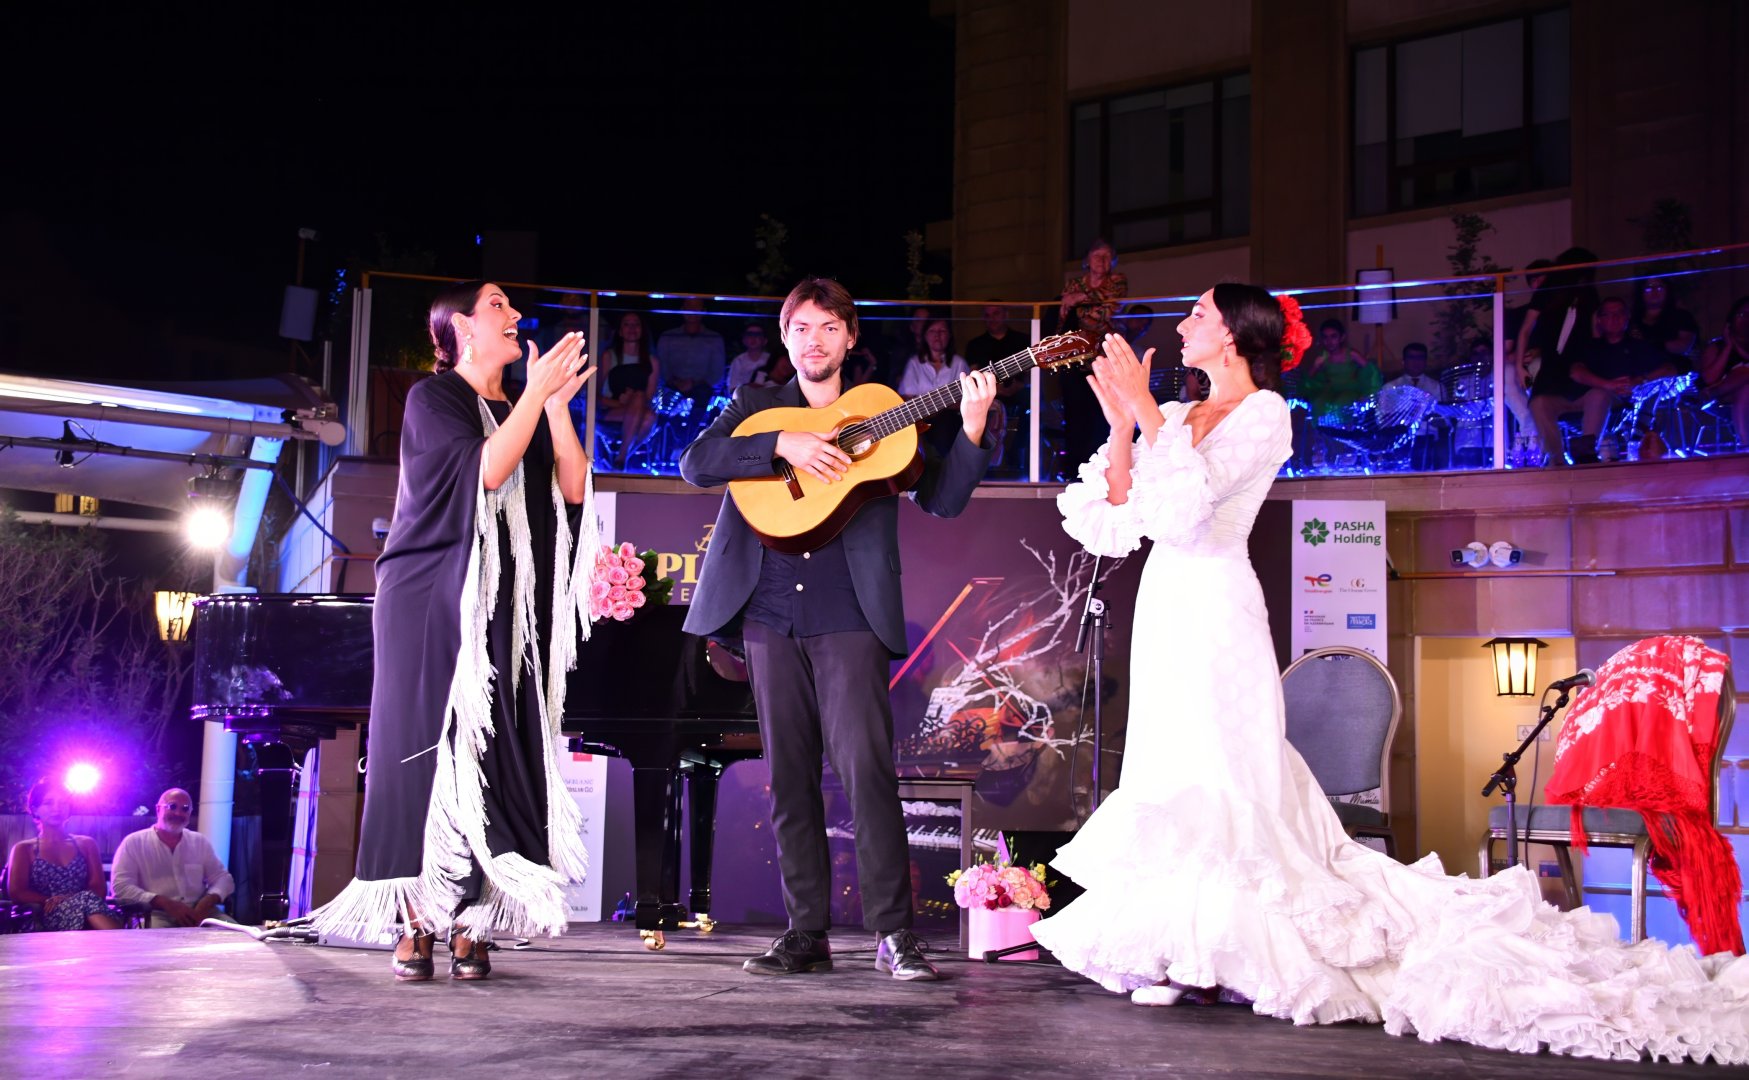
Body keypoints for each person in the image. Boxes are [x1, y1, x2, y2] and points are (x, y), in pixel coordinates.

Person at [1029, 282, 1749, 1062]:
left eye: (1198, 313)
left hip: (1215, 608)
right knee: (1169, 768)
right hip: (1165, 607)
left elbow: (1187, 516)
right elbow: (1114, 528)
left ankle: (1233, 948)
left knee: (1223, 770)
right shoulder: (1174, 418)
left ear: (1235, 335)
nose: (1181, 325)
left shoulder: (1265, 413)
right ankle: (1179, 946)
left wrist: (1142, 412)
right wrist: (1124, 428)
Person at [679, 276, 997, 982]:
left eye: (828, 328)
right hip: (766, 610)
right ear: (785, 337)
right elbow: (695, 463)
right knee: (788, 778)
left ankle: (894, 935)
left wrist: (972, 429)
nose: (813, 342)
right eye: (800, 328)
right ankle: (805, 935)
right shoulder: (758, 406)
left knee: (865, 772)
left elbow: (942, 499)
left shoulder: (886, 411)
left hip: (850, 609)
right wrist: (782, 445)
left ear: (850, 337)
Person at [311, 280, 598, 982]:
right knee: (424, 750)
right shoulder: (431, 400)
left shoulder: (521, 406)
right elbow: (486, 472)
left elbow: (572, 491)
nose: (515, 316)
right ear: (462, 328)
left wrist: (555, 406)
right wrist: (534, 395)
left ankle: (475, 916)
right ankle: (414, 917)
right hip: (430, 598)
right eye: (498, 305)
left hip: (502, 602)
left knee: (494, 749)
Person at [1548, 296, 1679, 460]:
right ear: (1600, 320)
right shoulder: (1590, 347)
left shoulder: (1638, 346)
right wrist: (1607, 384)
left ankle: (1587, 455)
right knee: (1590, 395)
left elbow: (1669, 369)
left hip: (1624, 403)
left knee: (1601, 396)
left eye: (1619, 313)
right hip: (1583, 401)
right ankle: (1559, 457)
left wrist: (1641, 380)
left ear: (1627, 317)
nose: (1614, 318)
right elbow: (1576, 372)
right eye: (1608, 314)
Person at [1518, 247, 1601, 461]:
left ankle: (1586, 451)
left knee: (1598, 394)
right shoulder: (1550, 289)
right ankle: (1556, 457)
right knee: (1539, 403)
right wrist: (1519, 366)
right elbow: (1526, 329)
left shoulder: (1589, 294)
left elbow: (1594, 332)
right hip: (1553, 365)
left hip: (1579, 362)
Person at [6, 780, 123, 930]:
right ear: (35, 809)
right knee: (87, 901)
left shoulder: (86, 844)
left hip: (89, 912)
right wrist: (53, 901)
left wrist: (72, 901)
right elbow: (17, 892)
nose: (57, 809)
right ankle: (120, 943)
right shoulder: (24, 849)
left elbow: (99, 889)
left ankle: (115, 942)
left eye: (63, 803)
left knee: (87, 900)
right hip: (42, 916)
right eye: (48, 803)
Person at [110, 787, 236, 928]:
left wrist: (208, 901)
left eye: (185, 808)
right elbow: (121, 887)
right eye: (172, 806)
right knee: (156, 943)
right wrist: (164, 903)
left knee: (240, 938)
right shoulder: (134, 842)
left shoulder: (199, 841)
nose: (178, 813)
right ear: (158, 809)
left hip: (201, 913)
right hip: (153, 914)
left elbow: (224, 879)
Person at [1060, 240, 1130, 474]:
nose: (1102, 260)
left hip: (1103, 357)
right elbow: (1068, 314)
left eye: (1107, 256)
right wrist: (1091, 303)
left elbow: (1107, 311)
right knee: (1075, 412)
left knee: (1100, 413)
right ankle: (1075, 468)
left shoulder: (1117, 281)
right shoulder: (1074, 283)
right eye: (1097, 255)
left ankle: (1101, 468)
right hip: (1074, 357)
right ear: (1087, 260)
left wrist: (1080, 299)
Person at [598, 311, 660, 470]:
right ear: (619, 330)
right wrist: (618, 402)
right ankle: (623, 456)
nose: (632, 328)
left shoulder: (651, 361)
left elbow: (648, 397)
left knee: (647, 411)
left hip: (637, 410)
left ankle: (621, 457)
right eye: (627, 324)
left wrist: (633, 400)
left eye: (636, 324)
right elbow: (596, 396)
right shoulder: (608, 356)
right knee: (645, 411)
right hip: (610, 411)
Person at [1299, 317, 1382, 423]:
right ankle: (1322, 435)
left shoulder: (1352, 354)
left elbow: (1372, 372)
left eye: (1333, 337)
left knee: (1341, 405)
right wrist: (1315, 366)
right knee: (1319, 404)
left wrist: (1367, 394)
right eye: (1325, 337)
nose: (1329, 341)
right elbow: (1307, 381)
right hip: (1330, 390)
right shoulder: (1322, 357)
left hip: (1350, 390)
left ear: (1342, 337)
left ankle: (1341, 434)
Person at [1699, 295, 1749, 450]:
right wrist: (1728, 347)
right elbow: (1708, 379)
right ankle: (1745, 445)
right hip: (1721, 400)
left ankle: (1744, 444)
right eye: (1741, 315)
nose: (1746, 319)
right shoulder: (1717, 347)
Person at [658, 297, 728, 403]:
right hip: (671, 389)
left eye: (696, 307)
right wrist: (675, 382)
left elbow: (717, 372)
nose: (692, 310)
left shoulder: (714, 339)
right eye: (688, 306)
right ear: (682, 310)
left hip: (703, 391)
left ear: (703, 311)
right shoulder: (667, 336)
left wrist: (695, 384)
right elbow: (661, 367)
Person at [1630, 276, 1699, 365]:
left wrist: (1655, 344)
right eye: (1649, 287)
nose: (1654, 291)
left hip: (1674, 371)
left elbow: (1684, 346)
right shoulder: (1632, 320)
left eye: (1659, 287)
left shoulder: (1682, 316)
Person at [726, 321, 777, 391]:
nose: (753, 338)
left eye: (758, 335)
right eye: (749, 335)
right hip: (744, 399)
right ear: (744, 340)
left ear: (765, 340)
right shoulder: (738, 361)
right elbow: (732, 387)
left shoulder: (771, 359)